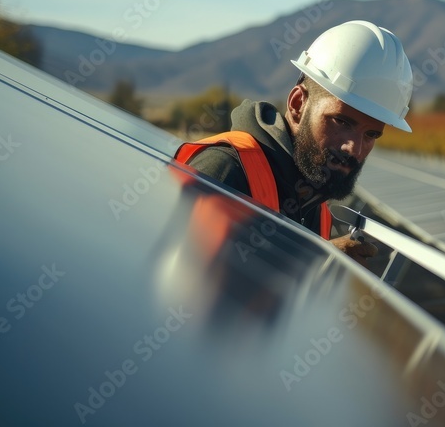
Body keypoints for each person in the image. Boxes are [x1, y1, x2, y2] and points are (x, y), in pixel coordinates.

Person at [174, 20, 413, 267]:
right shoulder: (224, 171)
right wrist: (315, 259)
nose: (353, 148)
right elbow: (173, 290)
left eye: (371, 135)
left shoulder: (315, 205)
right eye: (341, 122)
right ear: (298, 104)